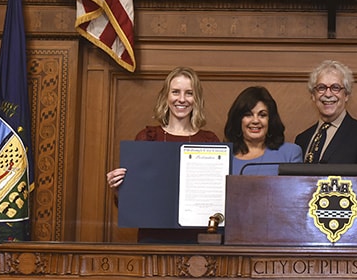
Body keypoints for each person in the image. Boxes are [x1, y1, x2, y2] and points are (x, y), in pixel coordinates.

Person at [104, 66, 220, 242]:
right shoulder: (147, 138)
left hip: (197, 238)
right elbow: (132, 203)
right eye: (175, 92)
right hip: (153, 237)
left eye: (189, 93)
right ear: (166, 97)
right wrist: (120, 188)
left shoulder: (209, 141)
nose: (182, 99)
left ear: (197, 99)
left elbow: (217, 196)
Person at [295, 60, 357, 164]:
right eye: (321, 88)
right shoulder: (302, 139)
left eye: (335, 88)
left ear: (346, 95)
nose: (328, 94)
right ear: (313, 95)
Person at [224, 86, 302, 174]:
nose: (255, 121)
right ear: (238, 120)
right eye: (248, 115)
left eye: (262, 115)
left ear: (270, 120)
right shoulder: (223, 157)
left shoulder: (290, 153)